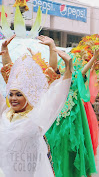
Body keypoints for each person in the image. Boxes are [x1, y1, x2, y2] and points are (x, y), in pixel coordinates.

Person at [0, 35, 72, 177]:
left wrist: (66, 64)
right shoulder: (5, 113)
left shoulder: (37, 114)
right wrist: (5, 52)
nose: (13, 98)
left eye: (19, 95)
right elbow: (9, 75)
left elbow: (56, 87)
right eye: (11, 94)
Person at [45, 46, 99, 177]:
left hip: (73, 117)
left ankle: (70, 172)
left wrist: (93, 58)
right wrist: (52, 48)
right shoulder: (57, 80)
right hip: (58, 117)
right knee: (57, 144)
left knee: (72, 146)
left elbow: (81, 71)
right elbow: (52, 67)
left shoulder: (76, 77)